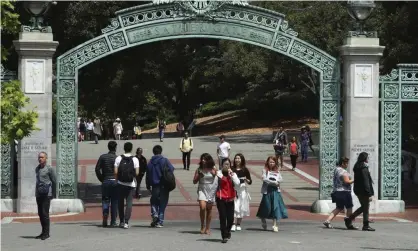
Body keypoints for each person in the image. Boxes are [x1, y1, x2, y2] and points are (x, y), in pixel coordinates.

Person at [345, 152, 375, 231]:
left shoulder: (357, 166)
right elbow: (366, 182)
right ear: (364, 158)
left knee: (364, 207)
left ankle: (349, 219)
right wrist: (369, 192)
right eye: (367, 158)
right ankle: (365, 225)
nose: (368, 159)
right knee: (365, 208)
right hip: (364, 191)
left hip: (358, 190)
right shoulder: (363, 168)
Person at [323, 157, 357, 229]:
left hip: (337, 191)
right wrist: (355, 180)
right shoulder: (343, 171)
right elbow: (347, 181)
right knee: (349, 207)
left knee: (339, 207)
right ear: (342, 163)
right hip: (344, 191)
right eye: (346, 163)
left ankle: (328, 220)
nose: (347, 165)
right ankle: (349, 222)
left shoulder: (336, 169)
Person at [256, 156, 288, 232]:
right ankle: (263, 219)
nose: (271, 163)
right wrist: (273, 182)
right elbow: (264, 179)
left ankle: (275, 224)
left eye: (273, 162)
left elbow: (280, 179)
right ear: (267, 162)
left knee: (275, 206)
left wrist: (277, 181)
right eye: (270, 162)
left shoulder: (277, 170)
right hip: (267, 190)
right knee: (266, 206)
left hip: (275, 191)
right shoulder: (264, 170)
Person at [146, 145, 175, 227]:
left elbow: (147, 175)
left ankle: (154, 214)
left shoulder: (150, 162)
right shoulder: (164, 161)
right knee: (163, 203)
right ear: (161, 151)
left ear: (153, 152)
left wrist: (148, 185)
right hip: (164, 185)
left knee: (153, 201)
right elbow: (171, 169)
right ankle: (160, 221)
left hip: (155, 186)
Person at [114, 142, 139, 229]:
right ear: (131, 149)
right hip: (131, 184)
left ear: (124, 148)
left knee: (120, 203)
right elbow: (137, 173)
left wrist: (117, 180)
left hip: (120, 184)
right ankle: (126, 222)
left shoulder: (118, 158)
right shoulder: (135, 159)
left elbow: (116, 172)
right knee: (129, 204)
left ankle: (121, 221)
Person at [216, 158, 240, 243]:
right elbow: (218, 182)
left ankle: (228, 230)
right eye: (225, 164)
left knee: (230, 219)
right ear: (222, 165)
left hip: (230, 198)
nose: (227, 166)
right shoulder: (218, 173)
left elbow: (237, 183)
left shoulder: (233, 174)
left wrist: (232, 175)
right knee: (223, 217)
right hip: (221, 198)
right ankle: (224, 236)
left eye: (228, 164)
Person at [193, 153, 218, 234]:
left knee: (209, 209)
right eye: (202, 159)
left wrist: (214, 173)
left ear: (208, 160)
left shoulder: (213, 168)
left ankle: (207, 227)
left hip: (211, 190)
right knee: (202, 207)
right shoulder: (199, 169)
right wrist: (199, 176)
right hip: (202, 189)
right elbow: (194, 181)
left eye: (205, 159)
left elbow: (217, 177)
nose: (203, 160)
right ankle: (202, 225)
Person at [95, 141, 118, 227]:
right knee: (115, 201)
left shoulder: (103, 157)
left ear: (108, 147)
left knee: (105, 199)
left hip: (106, 180)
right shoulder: (117, 158)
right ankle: (113, 221)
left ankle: (105, 213)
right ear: (115, 148)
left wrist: (101, 178)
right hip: (115, 181)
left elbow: (97, 169)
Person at [35, 152, 56, 240]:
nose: (40, 159)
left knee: (45, 213)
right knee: (40, 213)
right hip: (39, 194)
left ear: (46, 158)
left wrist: (54, 194)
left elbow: (54, 181)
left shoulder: (49, 169)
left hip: (47, 194)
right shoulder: (37, 168)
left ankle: (47, 233)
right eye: (39, 157)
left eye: (42, 157)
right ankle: (43, 232)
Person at [231, 153, 252, 232]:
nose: (237, 160)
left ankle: (238, 224)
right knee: (233, 206)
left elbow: (250, 181)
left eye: (239, 158)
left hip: (242, 190)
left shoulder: (245, 169)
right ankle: (233, 223)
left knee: (241, 207)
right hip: (234, 189)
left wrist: (247, 180)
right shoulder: (232, 169)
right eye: (236, 158)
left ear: (242, 160)